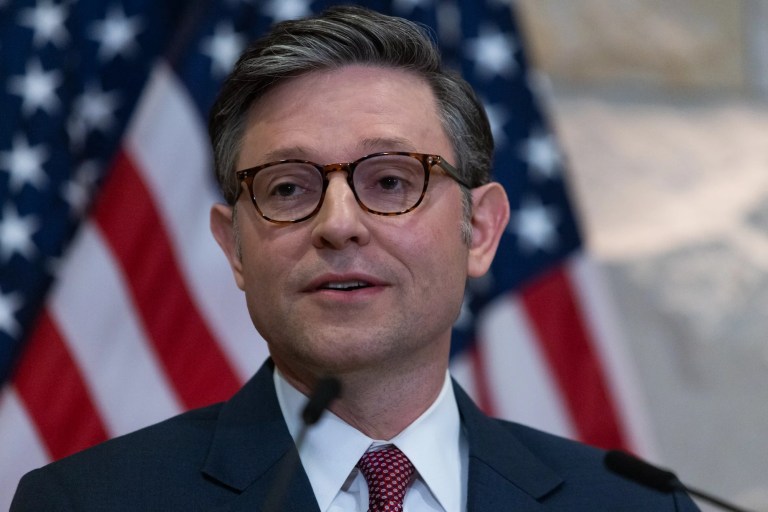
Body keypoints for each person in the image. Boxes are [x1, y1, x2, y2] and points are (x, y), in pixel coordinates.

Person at [11, 6, 699, 511]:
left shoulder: (630, 505)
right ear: (235, 248)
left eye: (392, 182)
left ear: (481, 230)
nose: (339, 225)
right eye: (287, 188)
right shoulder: (87, 503)